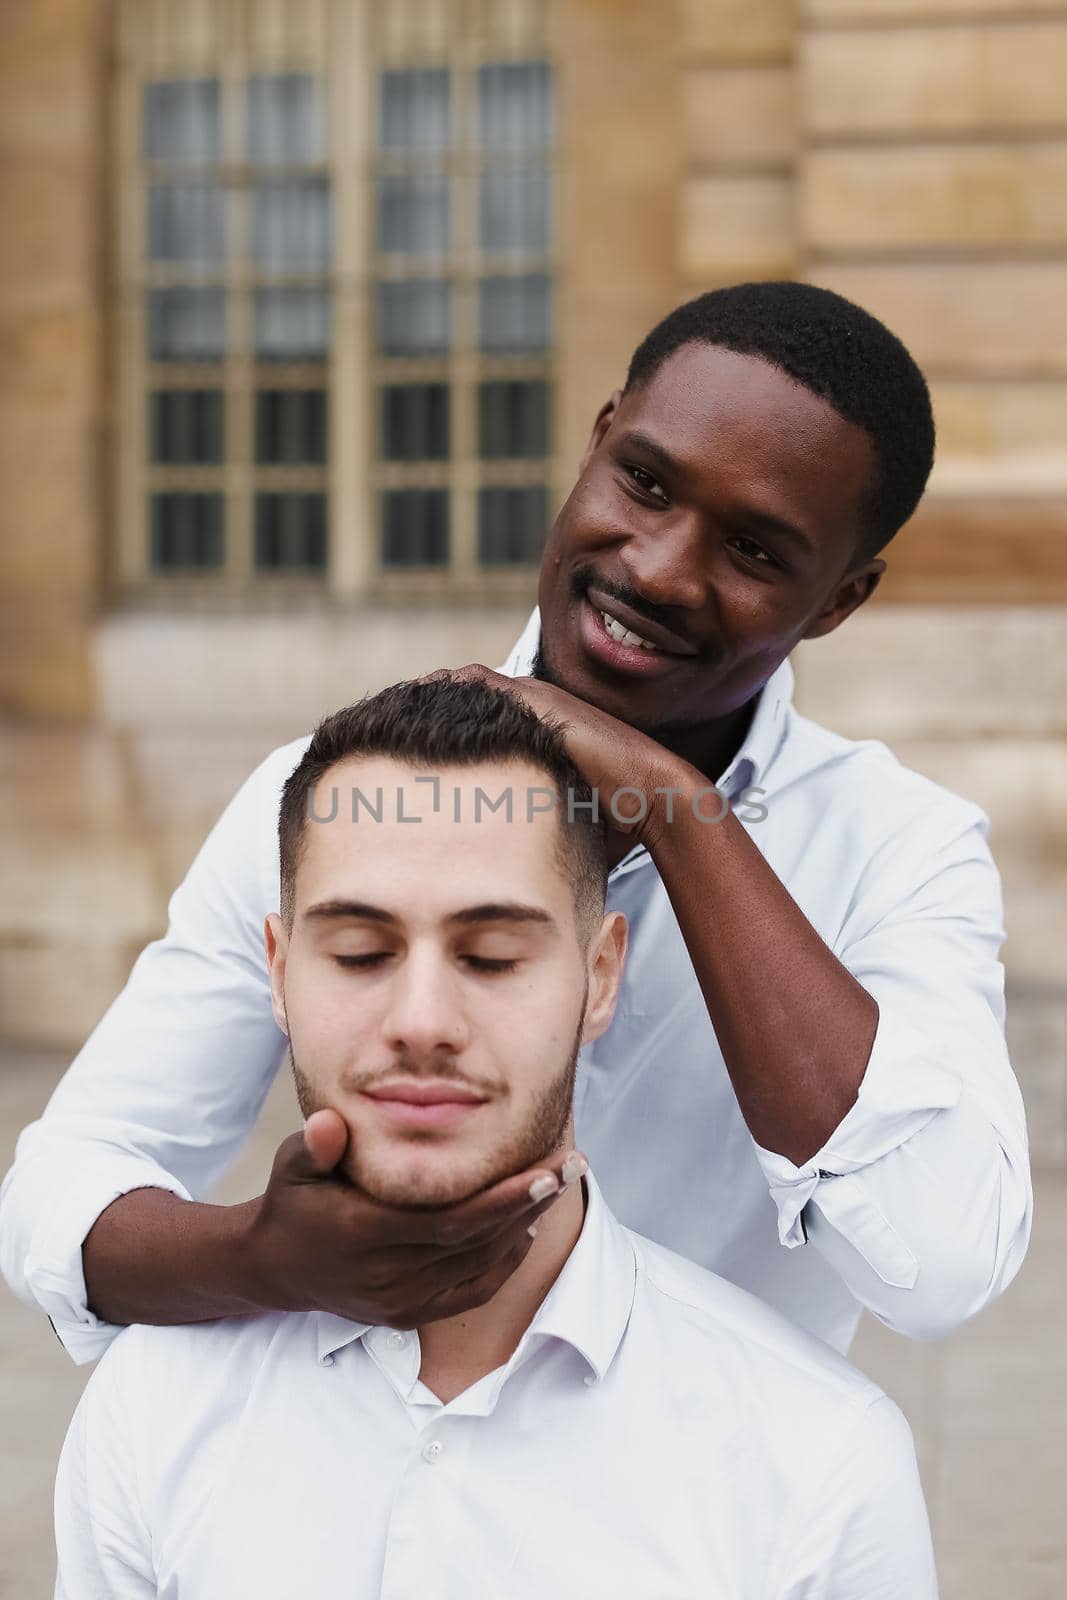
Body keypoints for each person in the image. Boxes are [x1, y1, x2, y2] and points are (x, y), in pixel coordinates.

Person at [1, 281, 1030, 1361]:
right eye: (642, 482)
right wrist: (262, 1259)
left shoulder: (897, 848)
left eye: (754, 552)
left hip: (703, 1510)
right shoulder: (329, 794)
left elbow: (939, 1259)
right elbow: (63, 1190)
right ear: (596, 441)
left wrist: (678, 811)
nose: (656, 568)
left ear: (837, 601)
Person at [53, 679, 939, 1599]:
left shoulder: (816, 1467)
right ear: (277, 973)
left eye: (491, 958)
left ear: (599, 979)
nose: (423, 1021)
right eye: (359, 952)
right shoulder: (151, 1410)